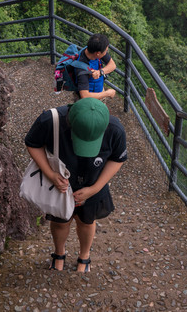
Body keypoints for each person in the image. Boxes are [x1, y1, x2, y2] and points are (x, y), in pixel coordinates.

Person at [24, 98, 127, 272]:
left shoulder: (115, 129)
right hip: (59, 185)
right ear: (69, 122)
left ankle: (84, 255)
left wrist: (95, 189)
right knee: (60, 221)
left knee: (87, 221)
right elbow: (32, 143)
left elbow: (118, 159)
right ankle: (59, 253)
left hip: (93, 182)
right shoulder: (50, 120)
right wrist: (50, 175)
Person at [74, 34, 117, 100]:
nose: (106, 53)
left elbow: (112, 65)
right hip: (88, 101)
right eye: (106, 51)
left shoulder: (94, 49)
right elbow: (84, 96)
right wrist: (107, 93)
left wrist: (100, 72)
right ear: (98, 53)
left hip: (98, 90)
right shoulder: (81, 68)